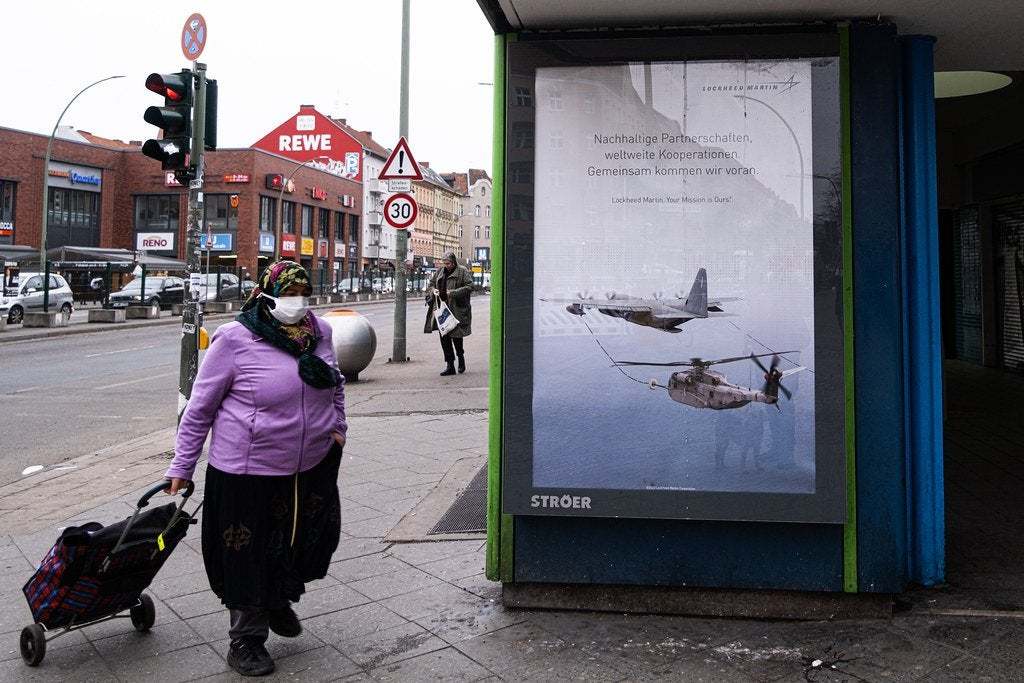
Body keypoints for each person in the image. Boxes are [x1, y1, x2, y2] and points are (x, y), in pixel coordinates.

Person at [164, 260, 346, 677]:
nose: (297, 303)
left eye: (303, 294)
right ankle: (246, 639)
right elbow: (199, 410)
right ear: (265, 295)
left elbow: (335, 387)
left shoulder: (321, 334)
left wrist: (338, 428)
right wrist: (183, 465)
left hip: (310, 465)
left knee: (303, 541)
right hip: (247, 471)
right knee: (248, 553)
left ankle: (278, 597)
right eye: (288, 295)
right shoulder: (234, 340)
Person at [424, 251, 473, 375]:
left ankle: (461, 359)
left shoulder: (462, 271)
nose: (447, 266)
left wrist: (452, 292)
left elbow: (470, 286)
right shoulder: (440, 271)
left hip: (456, 309)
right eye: (445, 263)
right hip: (442, 309)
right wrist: (433, 290)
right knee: (444, 338)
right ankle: (450, 365)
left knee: (457, 337)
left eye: (449, 263)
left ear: (454, 261)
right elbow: (430, 284)